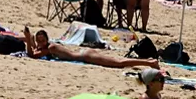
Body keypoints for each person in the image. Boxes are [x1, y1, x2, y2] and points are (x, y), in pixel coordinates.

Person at [22, 27, 158, 68]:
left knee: (118, 63)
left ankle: (150, 62)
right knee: (116, 61)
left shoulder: (50, 48)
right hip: (84, 53)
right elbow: (35, 50)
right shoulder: (46, 47)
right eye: (38, 41)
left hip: (85, 56)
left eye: (42, 40)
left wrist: (28, 39)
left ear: (47, 40)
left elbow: (32, 55)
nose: (40, 43)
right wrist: (30, 41)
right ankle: (149, 62)